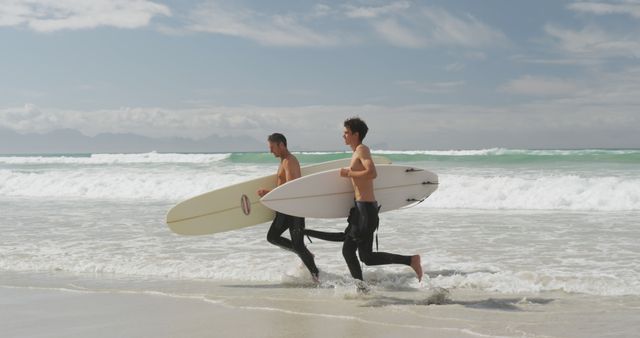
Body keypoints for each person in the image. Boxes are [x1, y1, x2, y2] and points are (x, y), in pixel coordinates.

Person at [306, 117, 422, 284]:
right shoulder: (356, 152)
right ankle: (410, 261)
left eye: (346, 132)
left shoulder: (362, 150)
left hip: (366, 210)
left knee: (349, 250)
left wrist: (349, 174)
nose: (343, 136)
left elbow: (372, 173)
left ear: (356, 134)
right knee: (365, 256)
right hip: (362, 209)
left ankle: (363, 287)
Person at [257, 133, 319, 282]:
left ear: (281, 145)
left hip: (294, 208)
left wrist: (268, 193)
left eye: (272, 147)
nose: (270, 151)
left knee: (297, 245)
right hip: (285, 207)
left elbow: (292, 187)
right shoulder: (283, 161)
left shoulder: (290, 161)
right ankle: (306, 255)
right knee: (272, 237)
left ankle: (316, 276)